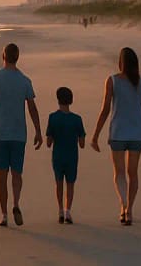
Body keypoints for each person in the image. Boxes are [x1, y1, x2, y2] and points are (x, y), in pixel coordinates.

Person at [90, 47, 141, 226]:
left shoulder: (112, 80)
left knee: (119, 173)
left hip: (118, 133)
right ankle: (130, 210)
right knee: (133, 173)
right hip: (137, 133)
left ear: (120, 63)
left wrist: (95, 135)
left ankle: (123, 205)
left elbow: (105, 110)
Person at [0, 43, 42, 227]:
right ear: (17, 57)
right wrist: (38, 131)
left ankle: (4, 214)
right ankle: (16, 203)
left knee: (2, 175)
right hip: (18, 134)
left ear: (3, 55)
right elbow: (32, 108)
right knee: (17, 173)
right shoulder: (25, 80)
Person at [45, 86, 86, 224]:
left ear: (58, 100)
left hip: (58, 155)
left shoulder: (52, 118)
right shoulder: (77, 119)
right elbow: (82, 143)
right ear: (71, 100)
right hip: (72, 156)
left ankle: (60, 210)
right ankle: (68, 211)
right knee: (70, 183)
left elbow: (49, 143)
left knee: (58, 183)